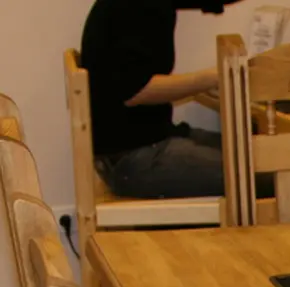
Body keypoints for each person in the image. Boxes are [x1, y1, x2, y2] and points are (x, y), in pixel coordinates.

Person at [80, 0, 245, 199]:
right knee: (259, 173)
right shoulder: (135, 6)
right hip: (134, 158)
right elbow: (135, 92)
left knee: (252, 154)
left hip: (141, 146)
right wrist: (211, 78)